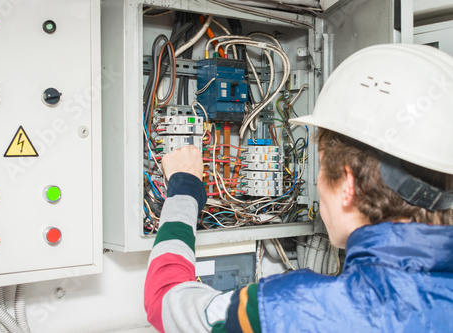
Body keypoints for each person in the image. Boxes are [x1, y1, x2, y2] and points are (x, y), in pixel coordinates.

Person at [144, 44, 453, 332]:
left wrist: (185, 188)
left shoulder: (291, 310)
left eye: (320, 169)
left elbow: (165, 300)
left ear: (347, 185)